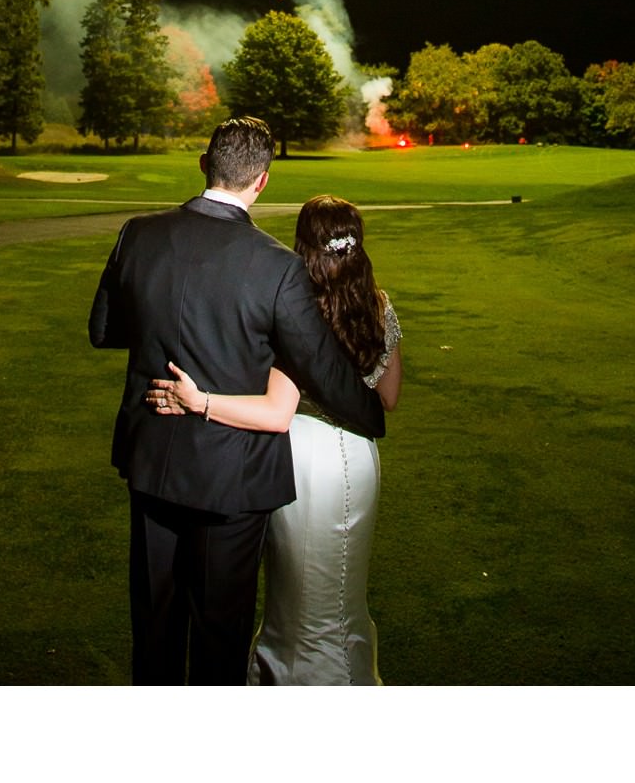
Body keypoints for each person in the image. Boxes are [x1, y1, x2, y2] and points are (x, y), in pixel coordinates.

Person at [87, 118, 385, 686]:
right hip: (233, 475)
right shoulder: (276, 268)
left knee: (154, 629)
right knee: (219, 638)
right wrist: (368, 414)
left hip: (153, 462)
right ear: (262, 182)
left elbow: (104, 330)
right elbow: (320, 366)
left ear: (204, 163)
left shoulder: (137, 233)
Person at [148, 193, 402, 685]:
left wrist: (199, 401)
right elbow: (388, 397)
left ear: (303, 245)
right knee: (342, 593)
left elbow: (275, 410)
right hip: (360, 459)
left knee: (298, 596)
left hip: (303, 458)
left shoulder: (297, 307)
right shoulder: (378, 303)